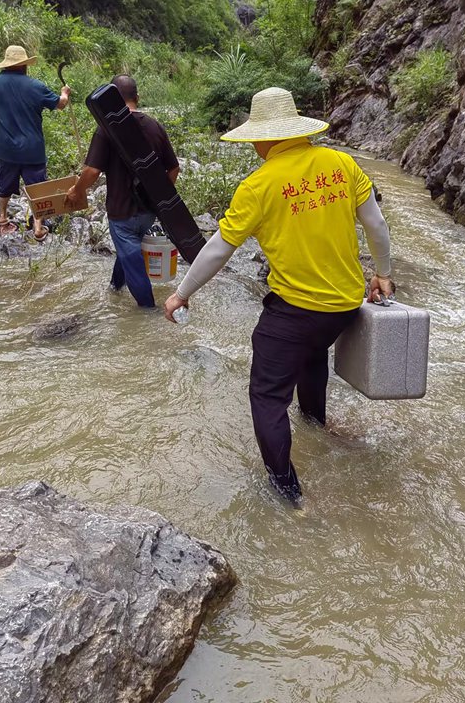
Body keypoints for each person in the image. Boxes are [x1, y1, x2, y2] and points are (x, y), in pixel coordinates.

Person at [164, 87, 393, 507]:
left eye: (255, 137)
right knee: (312, 355)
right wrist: (383, 274)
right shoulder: (341, 164)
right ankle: (315, 424)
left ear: (266, 138)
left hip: (295, 311)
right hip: (344, 305)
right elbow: (376, 225)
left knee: (267, 395)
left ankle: (286, 490)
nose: (253, 145)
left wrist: (181, 293)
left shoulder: (259, 184)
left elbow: (218, 248)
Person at [65, 75, 179, 308]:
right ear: (137, 97)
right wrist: (159, 197)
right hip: (148, 210)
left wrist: (77, 190)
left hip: (121, 211)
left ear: (112, 100)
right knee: (128, 252)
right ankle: (115, 287)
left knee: (132, 260)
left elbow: (92, 172)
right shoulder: (154, 126)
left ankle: (148, 310)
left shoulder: (106, 129)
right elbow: (174, 168)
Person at [0, 45, 71, 240]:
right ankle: (38, 227)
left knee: (4, 184)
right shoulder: (36, 86)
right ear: (24, 65)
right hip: (32, 148)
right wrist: (65, 93)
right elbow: (60, 105)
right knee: (37, 187)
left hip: (6, 148)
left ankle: (2, 219)